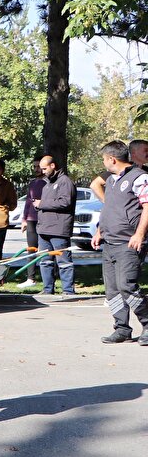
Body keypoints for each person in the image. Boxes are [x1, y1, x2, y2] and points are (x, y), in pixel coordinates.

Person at [92, 141, 148, 345]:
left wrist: (139, 234)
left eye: (104, 159)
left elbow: (147, 206)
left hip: (128, 242)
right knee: (113, 290)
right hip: (109, 242)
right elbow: (111, 209)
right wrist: (99, 231)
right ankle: (122, 328)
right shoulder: (112, 180)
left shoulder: (139, 177)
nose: (104, 163)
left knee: (127, 286)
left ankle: (147, 323)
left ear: (112, 159)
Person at [35, 155, 76, 296]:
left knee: (64, 261)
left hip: (59, 229)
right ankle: (48, 289)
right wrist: (38, 205)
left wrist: (42, 204)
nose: (42, 171)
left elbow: (65, 202)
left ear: (53, 166)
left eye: (44, 168)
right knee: (45, 261)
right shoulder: (47, 184)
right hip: (44, 229)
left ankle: (68, 291)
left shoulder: (65, 182)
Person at [16, 158, 47, 288]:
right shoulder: (33, 183)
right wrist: (24, 219)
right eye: (34, 167)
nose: (36, 169)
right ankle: (31, 278)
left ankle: (49, 278)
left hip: (44, 220)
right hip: (31, 220)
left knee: (46, 250)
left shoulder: (48, 183)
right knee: (31, 249)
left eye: (38, 166)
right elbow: (28, 201)